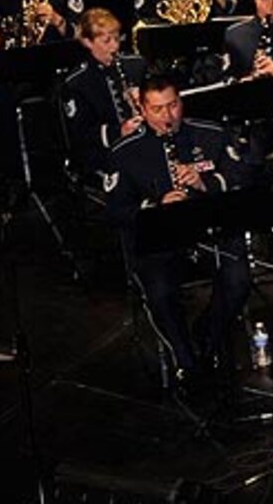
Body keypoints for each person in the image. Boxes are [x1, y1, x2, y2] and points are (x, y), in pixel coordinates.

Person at [102, 76, 254, 381]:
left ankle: (208, 337)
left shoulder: (210, 134)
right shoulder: (124, 152)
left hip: (210, 233)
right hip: (160, 243)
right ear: (142, 110)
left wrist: (205, 183)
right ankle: (187, 361)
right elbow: (116, 212)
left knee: (238, 279)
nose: (168, 116)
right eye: (157, 109)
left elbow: (243, 178)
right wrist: (157, 206)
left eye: (172, 105)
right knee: (159, 292)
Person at [59, 7, 144, 180]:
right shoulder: (77, 82)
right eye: (107, 41)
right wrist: (119, 131)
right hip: (104, 154)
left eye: (116, 39)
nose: (115, 46)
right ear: (87, 42)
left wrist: (145, 102)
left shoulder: (136, 65)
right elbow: (80, 135)